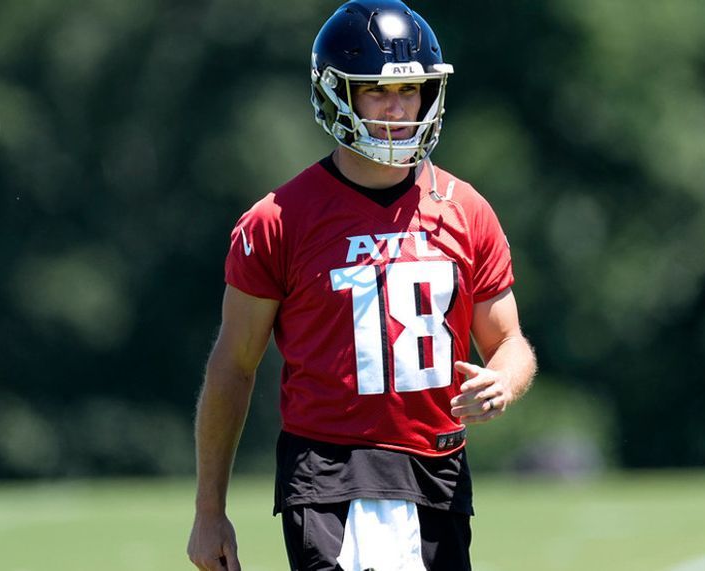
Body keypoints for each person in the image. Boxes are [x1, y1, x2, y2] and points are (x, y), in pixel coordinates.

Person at [188, 1, 536, 569]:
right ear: (337, 94)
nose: (398, 109)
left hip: (438, 470)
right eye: (377, 91)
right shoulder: (278, 220)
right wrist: (209, 512)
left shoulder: (466, 209)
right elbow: (234, 364)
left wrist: (504, 381)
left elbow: (510, 340)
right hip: (328, 471)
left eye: (411, 90)